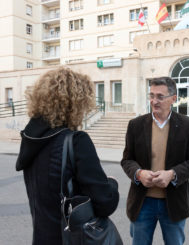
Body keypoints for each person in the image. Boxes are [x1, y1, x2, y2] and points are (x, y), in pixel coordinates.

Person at [16, 67, 120, 245]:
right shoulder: (76, 141)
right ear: (76, 103)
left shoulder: (31, 139)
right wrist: (111, 184)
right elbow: (105, 203)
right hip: (70, 239)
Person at [121, 77, 189, 245]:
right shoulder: (135, 125)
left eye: (160, 96)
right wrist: (139, 173)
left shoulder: (188, 125)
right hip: (142, 203)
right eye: (151, 96)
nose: (154, 101)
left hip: (173, 203)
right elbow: (127, 160)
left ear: (173, 98)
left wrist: (172, 175)